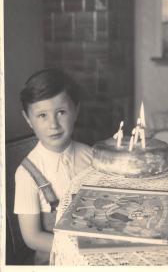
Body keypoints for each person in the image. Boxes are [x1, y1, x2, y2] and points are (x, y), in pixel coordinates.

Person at [14, 68, 93, 264]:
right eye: (42, 115)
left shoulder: (91, 156)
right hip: (53, 260)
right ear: (28, 119)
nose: (54, 125)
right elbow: (32, 237)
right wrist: (80, 250)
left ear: (76, 111)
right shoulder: (27, 174)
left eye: (61, 112)